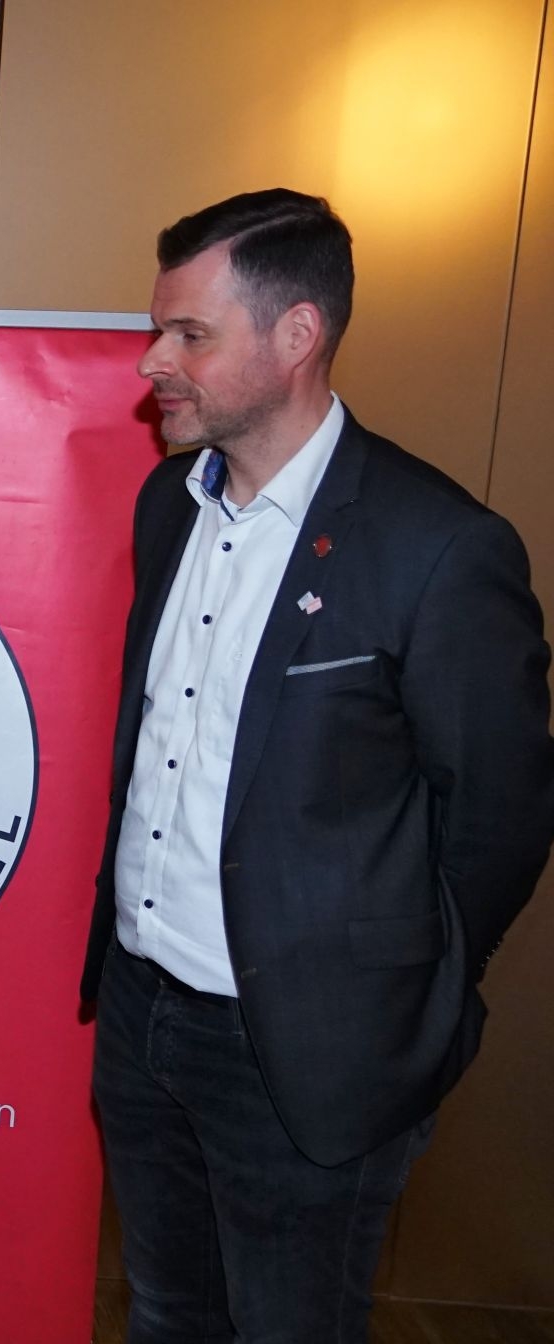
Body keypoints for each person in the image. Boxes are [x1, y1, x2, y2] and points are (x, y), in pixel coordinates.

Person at [83, 188, 554, 1342]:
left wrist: (404, 998)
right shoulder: (167, 504)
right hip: (143, 1017)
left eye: (190, 334)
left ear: (296, 334)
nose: (152, 361)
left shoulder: (438, 547)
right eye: (158, 328)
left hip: (306, 1054)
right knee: (164, 1314)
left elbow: (500, 817)